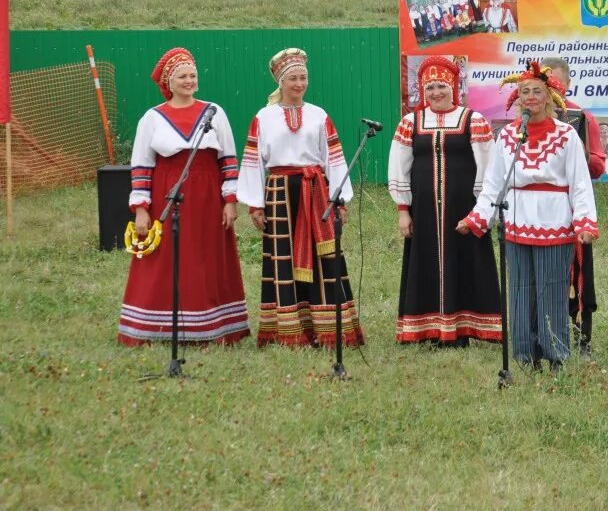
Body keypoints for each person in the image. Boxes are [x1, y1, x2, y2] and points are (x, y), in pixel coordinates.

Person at [456, 62, 598, 373]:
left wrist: (585, 222)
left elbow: (580, 182)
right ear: (517, 99)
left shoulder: (566, 135)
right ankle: (525, 356)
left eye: (536, 91)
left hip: (555, 222)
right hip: (516, 220)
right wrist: (478, 217)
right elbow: (495, 181)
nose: (530, 97)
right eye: (524, 92)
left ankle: (556, 355)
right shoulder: (507, 135)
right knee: (520, 292)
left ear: (550, 97)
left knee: (551, 289)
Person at [119, 48, 249, 346]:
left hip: (207, 197)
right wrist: (141, 209)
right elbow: (141, 166)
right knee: (166, 258)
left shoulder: (214, 112)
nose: (189, 81)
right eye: (182, 76)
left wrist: (230, 200)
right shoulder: (152, 118)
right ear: (169, 81)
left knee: (205, 257)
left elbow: (228, 159)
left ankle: (212, 327)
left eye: (193, 75)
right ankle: (157, 327)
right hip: (167, 195)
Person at [237, 48, 365, 349]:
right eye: (293, 78)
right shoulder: (263, 117)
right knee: (283, 258)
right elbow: (253, 161)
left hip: (316, 191)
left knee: (326, 260)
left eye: (303, 77)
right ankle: (289, 332)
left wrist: (339, 200)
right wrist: (255, 204)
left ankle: (330, 330)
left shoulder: (319, 115)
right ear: (280, 82)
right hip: (280, 194)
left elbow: (333, 159)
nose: (299, 84)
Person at [387, 56, 502, 345]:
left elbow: (489, 168)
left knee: (466, 264)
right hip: (423, 213)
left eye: (441, 86)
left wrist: (481, 211)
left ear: (453, 86)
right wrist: (403, 210)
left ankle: (465, 329)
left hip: (464, 210)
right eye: (429, 88)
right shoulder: (409, 123)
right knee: (424, 264)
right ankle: (427, 329)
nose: (436, 93)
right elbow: (399, 167)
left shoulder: (473, 120)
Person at [541, 57, 605, 356]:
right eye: (545, 80)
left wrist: (582, 155)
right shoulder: (527, 120)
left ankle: (581, 335)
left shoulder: (582, 117)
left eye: (556, 81)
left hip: (573, 210)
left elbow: (598, 167)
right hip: (539, 212)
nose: (550, 86)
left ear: (567, 85)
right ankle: (541, 330)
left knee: (578, 272)